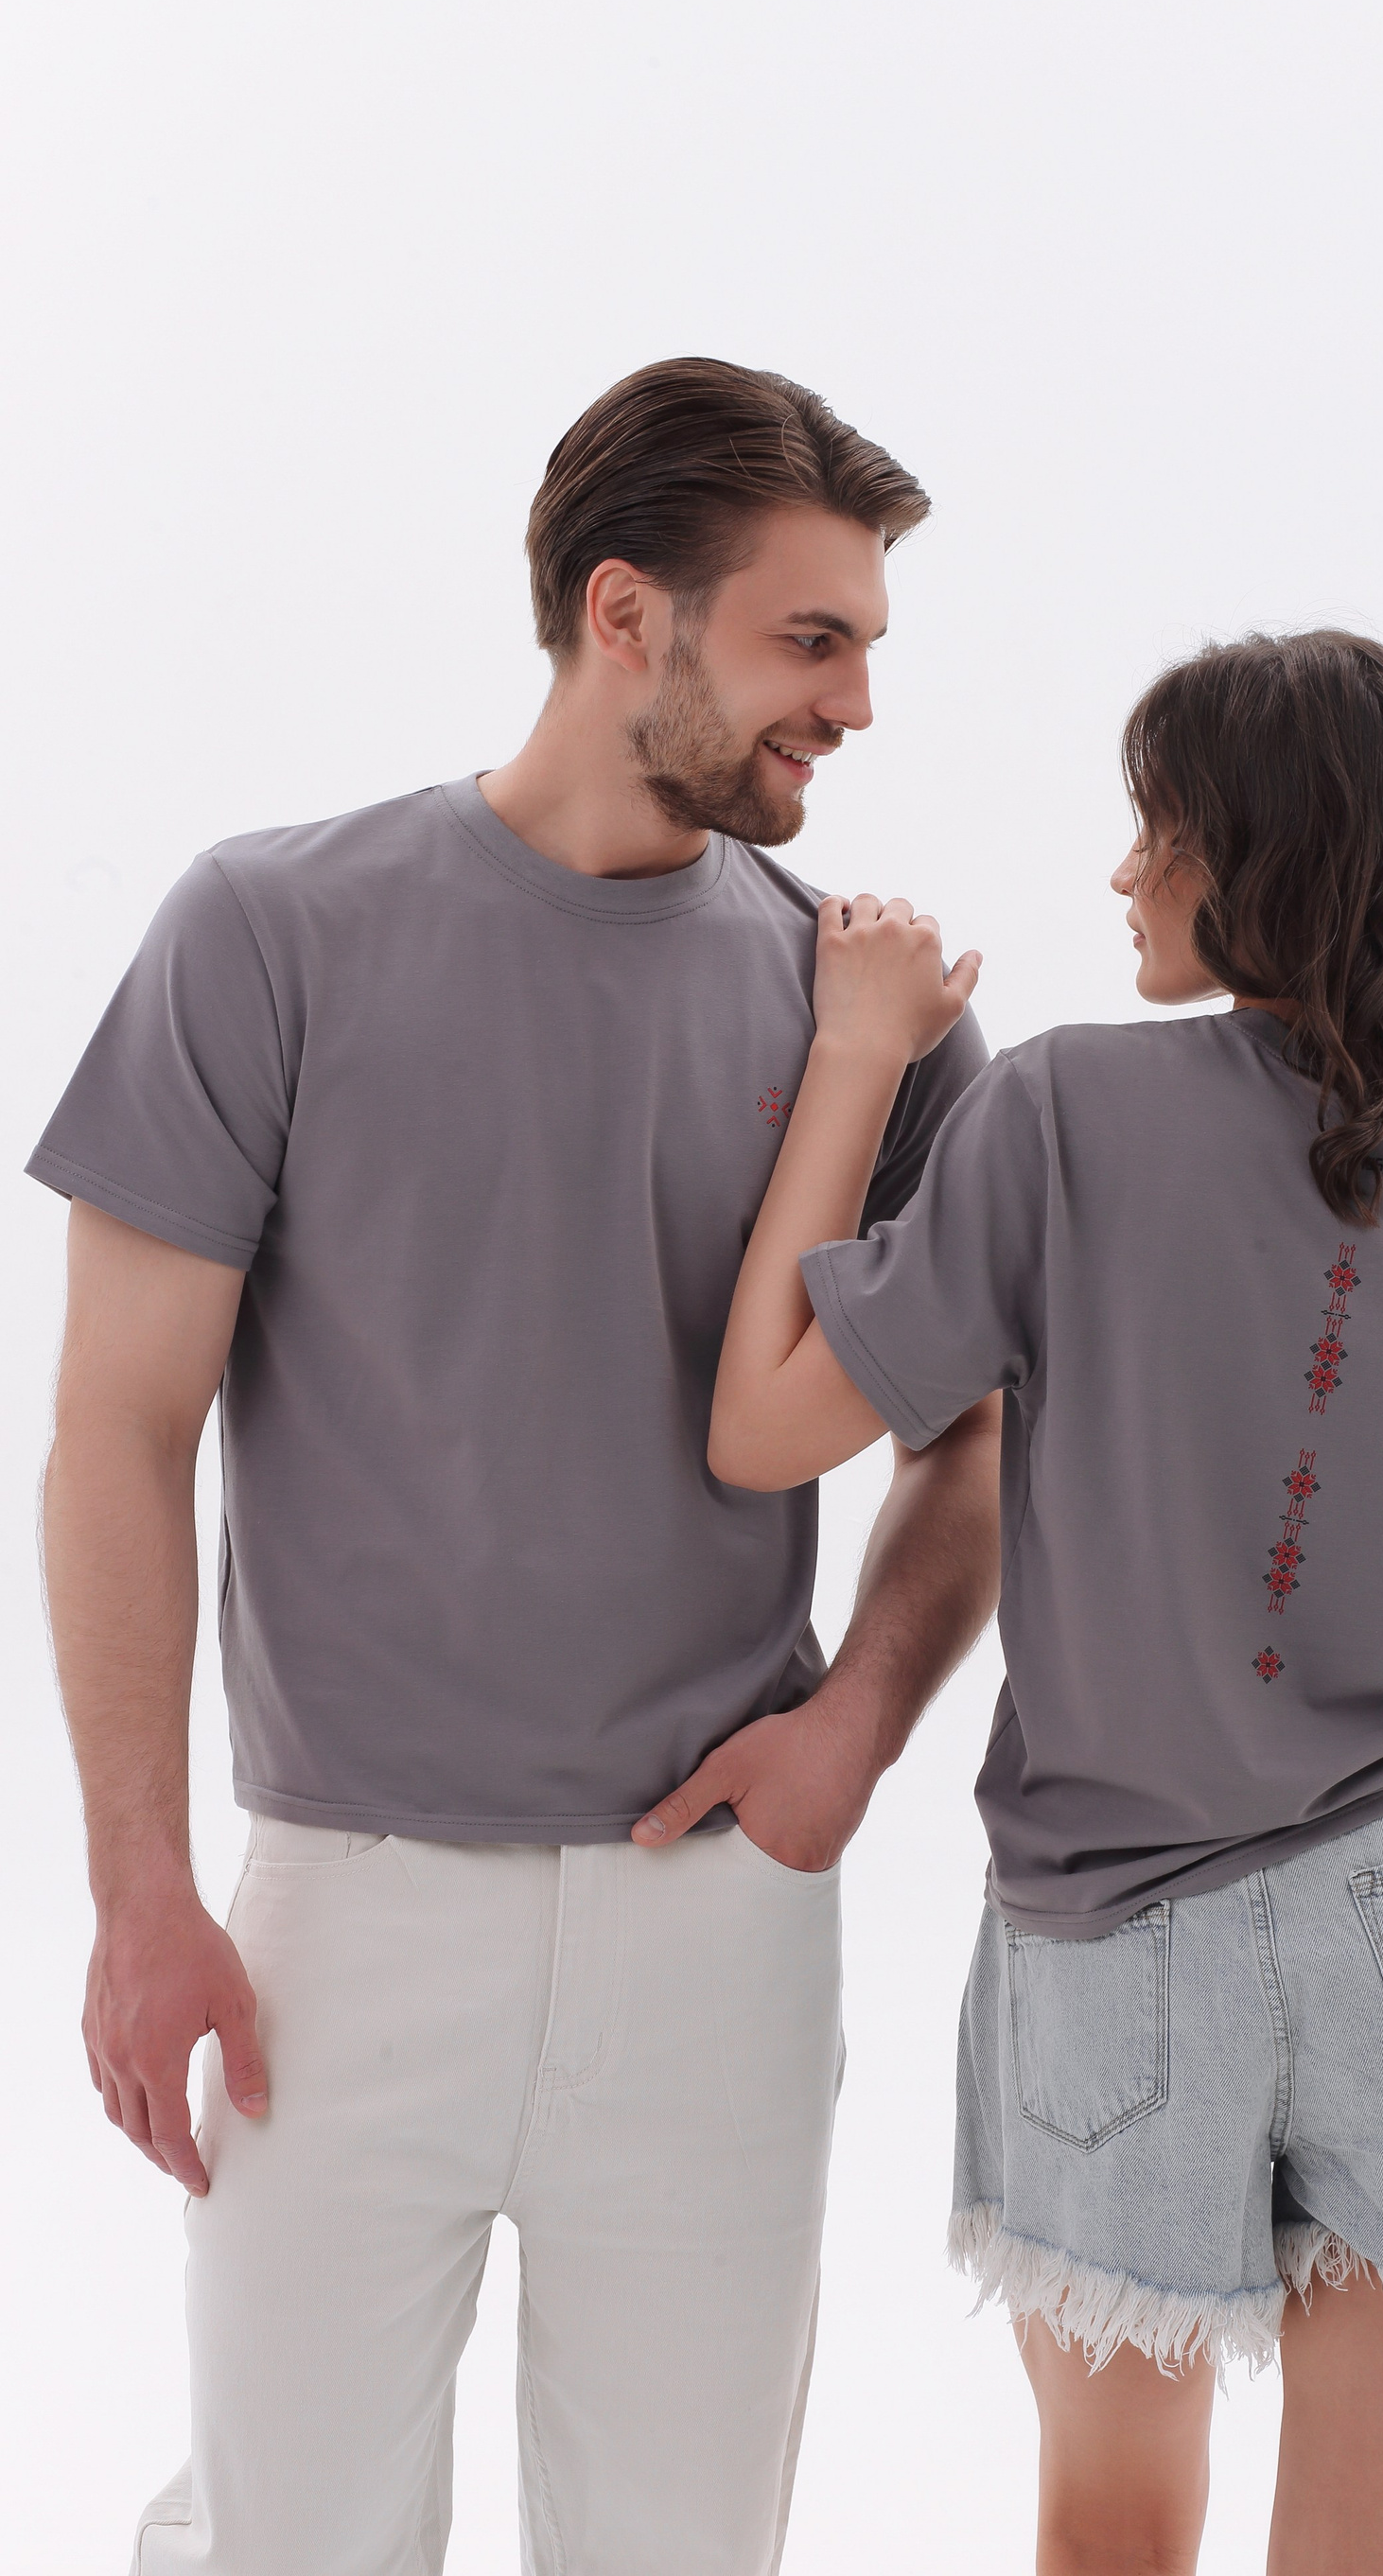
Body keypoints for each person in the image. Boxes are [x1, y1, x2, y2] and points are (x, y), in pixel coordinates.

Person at [31, 358, 1002, 2576]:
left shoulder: (868, 1020)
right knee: (289, 2545)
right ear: (625, 613)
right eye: (813, 639)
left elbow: (980, 1436)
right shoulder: (269, 931)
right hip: (341, 1919)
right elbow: (118, 1431)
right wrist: (138, 1884)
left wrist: (862, 1719)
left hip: (713, 1928)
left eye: (867, 646)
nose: (855, 704)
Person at [696, 630, 1383, 2576]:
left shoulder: (1060, 1115)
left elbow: (761, 1426)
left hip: (1116, 1931)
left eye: (1155, 827)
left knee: (1108, 2531)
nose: (1123, 872)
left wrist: (856, 1056)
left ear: (1260, 852)